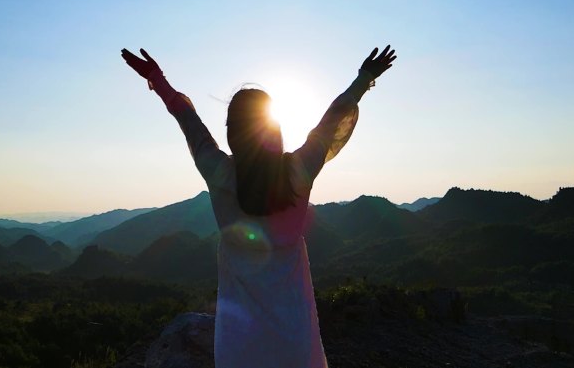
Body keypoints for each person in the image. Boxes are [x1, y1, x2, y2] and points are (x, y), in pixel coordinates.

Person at [121, 44, 396, 368]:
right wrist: (364, 79)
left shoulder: (220, 173)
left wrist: (157, 79)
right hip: (295, 342)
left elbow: (187, 118)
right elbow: (331, 121)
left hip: (239, 348)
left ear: (232, 134)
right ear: (274, 129)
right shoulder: (298, 171)